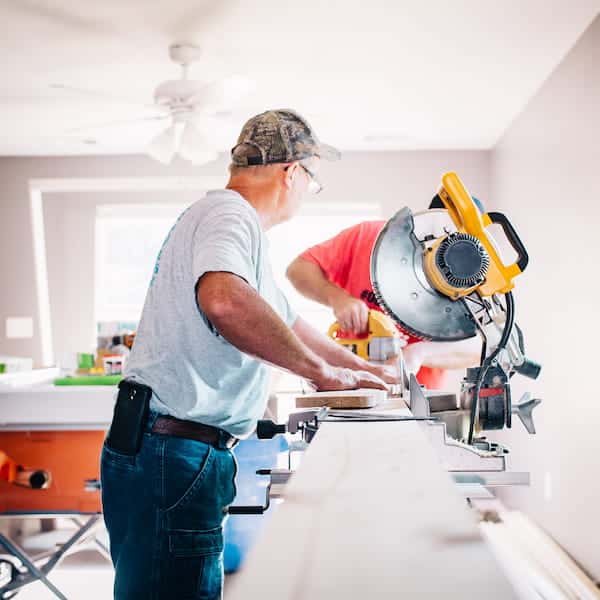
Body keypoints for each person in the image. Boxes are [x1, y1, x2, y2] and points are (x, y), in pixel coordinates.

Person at [100, 109, 397, 600]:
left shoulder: (236, 230)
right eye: (311, 180)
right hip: (171, 453)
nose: (306, 191)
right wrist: (322, 375)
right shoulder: (229, 214)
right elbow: (224, 301)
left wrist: (361, 369)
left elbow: (289, 321)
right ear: (293, 172)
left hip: (171, 449)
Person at [286, 198, 484, 389]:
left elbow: (480, 347)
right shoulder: (369, 237)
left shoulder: (473, 279)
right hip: (347, 384)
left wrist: (419, 353)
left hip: (416, 396)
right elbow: (298, 269)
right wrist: (337, 298)